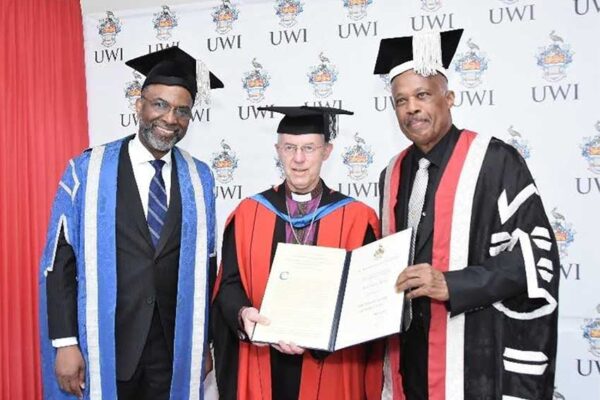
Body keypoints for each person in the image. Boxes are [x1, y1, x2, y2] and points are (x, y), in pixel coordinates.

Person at [373, 29, 559, 400]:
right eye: (401, 101)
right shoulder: (391, 173)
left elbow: (537, 257)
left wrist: (452, 284)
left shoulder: (494, 161)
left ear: (450, 97)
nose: (411, 108)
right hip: (408, 356)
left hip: (474, 356)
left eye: (423, 95)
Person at [39, 47, 223, 399]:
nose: (170, 118)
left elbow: (207, 267)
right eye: (160, 104)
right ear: (139, 105)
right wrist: (65, 342)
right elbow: (60, 261)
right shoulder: (88, 170)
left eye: (182, 110)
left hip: (173, 349)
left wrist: (203, 344)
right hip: (106, 344)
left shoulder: (201, 178)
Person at [212, 106, 383, 400]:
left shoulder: (356, 218)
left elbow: (366, 300)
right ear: (278, 150)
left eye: (309, 148)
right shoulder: (247, 214)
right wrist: (242, 315)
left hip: (329, 362)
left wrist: (319, 336)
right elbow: (228, 283)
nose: (299, 159)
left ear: (326, 151)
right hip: (262, 359)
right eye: (290, 148)